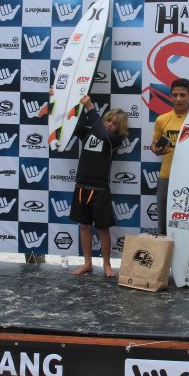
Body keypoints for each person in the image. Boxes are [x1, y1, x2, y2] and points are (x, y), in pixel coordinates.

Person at [66, 93, 129, 277]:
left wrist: (90, 108)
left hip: (100, 190)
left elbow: (102, 133)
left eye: (114, 123)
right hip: (81, 186)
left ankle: (107, 265)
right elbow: (69, 124)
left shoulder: (115, 141)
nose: (109, 124)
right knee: (84, 226)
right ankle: (87, 263)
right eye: (107, 120)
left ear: (119, 128)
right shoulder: (91, 131)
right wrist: (57, 102)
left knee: (102, 228)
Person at [150, 78, 189, 235]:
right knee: (163, 223)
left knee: (188, 222)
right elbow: (153, 145)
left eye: (182, 95)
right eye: (175, 95)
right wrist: (157, 150)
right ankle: (165, 258)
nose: (178, 99)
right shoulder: (162, 119)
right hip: (166, 176)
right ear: (170, 96)